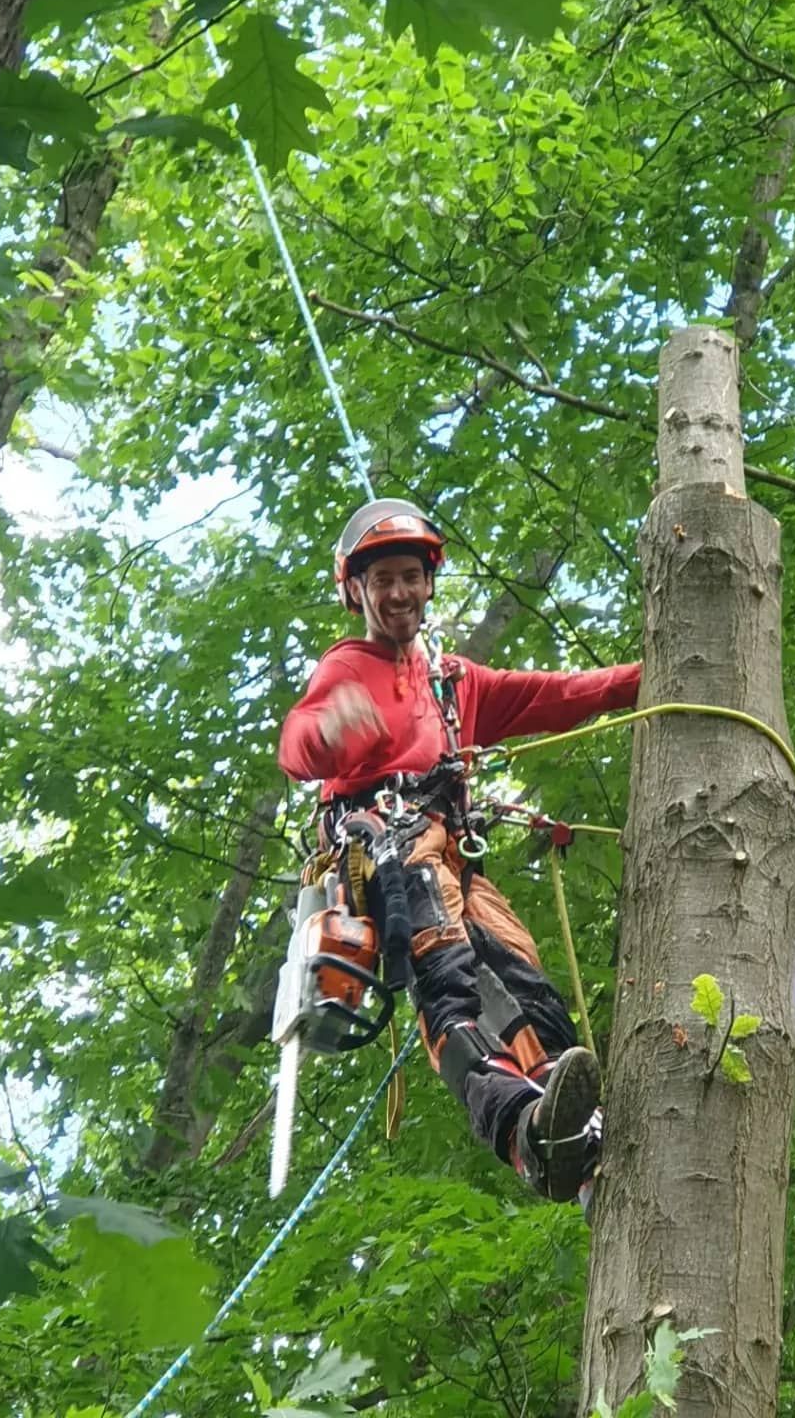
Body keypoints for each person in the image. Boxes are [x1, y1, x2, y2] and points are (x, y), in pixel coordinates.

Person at [278, 498, 640, 1204]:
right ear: (355, 590)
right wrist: (334, 732)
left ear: (429, 581)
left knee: (522, 980)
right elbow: (300, 742)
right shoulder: (348, 667)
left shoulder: (453, 682)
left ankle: (574, 1133)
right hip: (391, 849)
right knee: (452, 985)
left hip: (454, 859)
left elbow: (557, 694)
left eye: (409, 576)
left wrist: (643, 682)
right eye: (380, 580)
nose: (398, 593)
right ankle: (520, 1132)